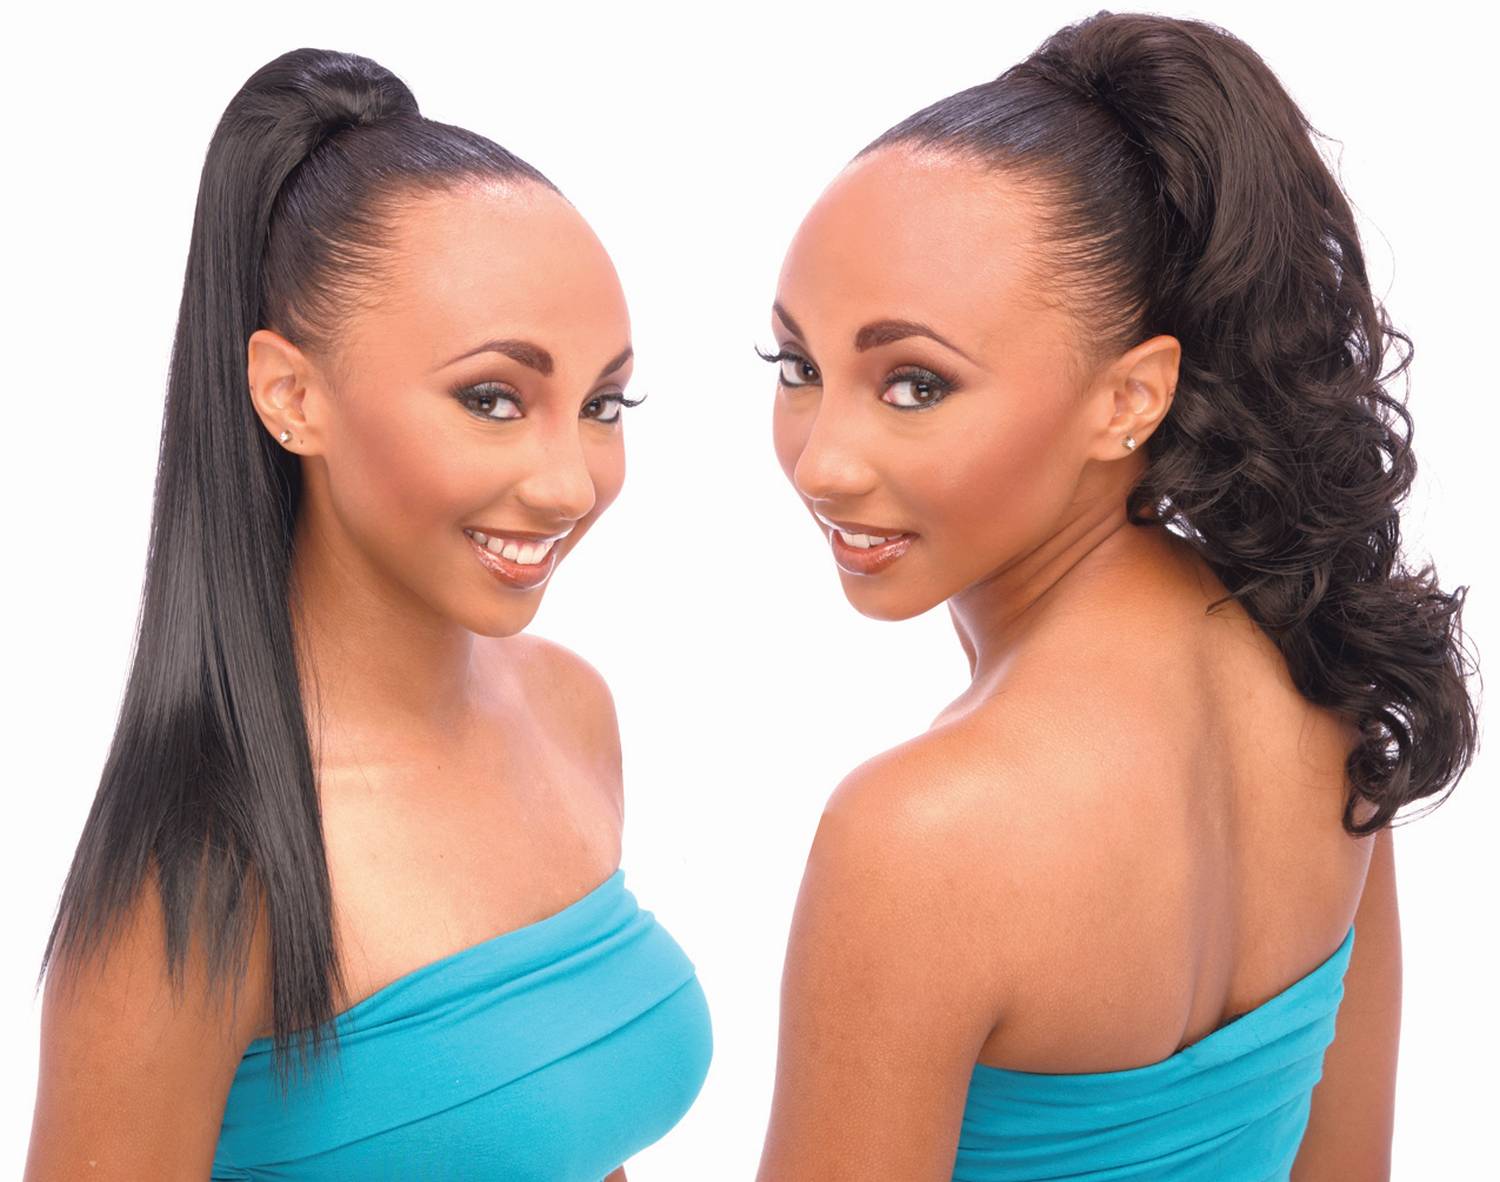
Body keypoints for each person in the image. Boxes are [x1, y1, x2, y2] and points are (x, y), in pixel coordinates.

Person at [755, 11, 1476, 1181]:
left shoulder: (922, 836)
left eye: (915, 384)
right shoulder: (1324, 686)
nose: (822, 460)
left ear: (1129, 398)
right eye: (798, 367)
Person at [25, 47, 710, 1182]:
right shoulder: (204, 864)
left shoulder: (569, 710)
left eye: (602, 403)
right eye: (493, 398)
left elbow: (568, 1144)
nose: (570, 484)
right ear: (291, 395)